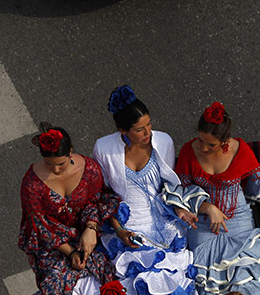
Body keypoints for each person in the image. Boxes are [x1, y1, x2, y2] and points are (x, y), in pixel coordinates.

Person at [169, 101, 260, 295]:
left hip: (237, 218)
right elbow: (179, 189)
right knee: (208, 282)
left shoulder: (240, 151)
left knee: (243, 276)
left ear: (225, 141)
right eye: (200, 140)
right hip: (202, 221)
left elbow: (256, 178)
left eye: (211, 144)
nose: (204, 148)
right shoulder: (189, 152)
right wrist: (207, 207)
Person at [93, 85, 198, 295]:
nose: (148, 132)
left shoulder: (163, 141)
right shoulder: (104, 149)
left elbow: (169, 185)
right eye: (140, 129)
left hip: (166, 223)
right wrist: (119, 229)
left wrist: (179, 209)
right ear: (123, 131)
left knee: (172, 282)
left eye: (149, 124)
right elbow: (103, 196)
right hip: (129, 226)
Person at [18, 123, 121, 295]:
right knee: (54, 285)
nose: (55, 170)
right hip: (54, 245)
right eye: (48, 164)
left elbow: (96, 202)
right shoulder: (31, 184)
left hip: (87, 235)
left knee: (110, 278)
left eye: (60, 163)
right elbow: (41, 227)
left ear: (70, 152)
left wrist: (91, 228)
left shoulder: (89, 169)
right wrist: (71, 252)